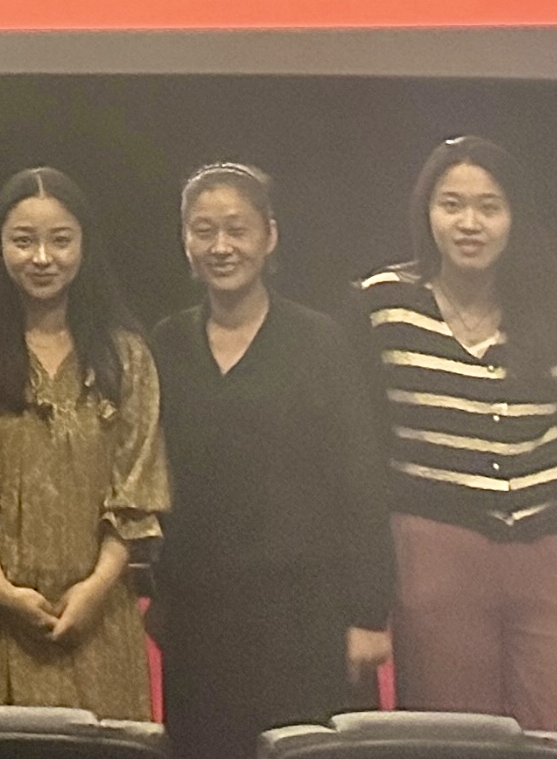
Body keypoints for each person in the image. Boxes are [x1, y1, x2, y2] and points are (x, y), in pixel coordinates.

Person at [362, 137, 557, 759]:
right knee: (453, 740)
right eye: (451, 204)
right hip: (434, 543)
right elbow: (360, 449)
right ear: (426, 212)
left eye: (489, 206)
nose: (469, 223)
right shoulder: (382, 305)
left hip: (551, 540)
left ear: (515, 217)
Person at [0, 165, 169, 718]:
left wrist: (94, 590)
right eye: (24, 241)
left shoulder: (126, 356)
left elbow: (137, 486)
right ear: (0, 247)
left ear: (84, 246)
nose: (42, 258)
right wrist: (2, 593)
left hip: (94, 617)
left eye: (60, 240)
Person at [149, 164, 395, 759]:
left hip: (305, 614)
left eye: (237, 229)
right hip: (199, 615)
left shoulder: (320, 341)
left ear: (270, 236)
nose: (221, 246)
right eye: (204, 230)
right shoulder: (166, 344)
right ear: (185, 241)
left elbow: (361, 479)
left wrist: (368, 614)